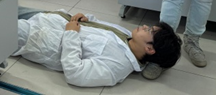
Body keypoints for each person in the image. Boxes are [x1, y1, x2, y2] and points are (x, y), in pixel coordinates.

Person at [14, 7, 182, 87]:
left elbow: (75, 74)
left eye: (149, 30)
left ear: (150, 49)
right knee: (2, 1)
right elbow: (100, 27)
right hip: (50, 17)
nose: (144, 26)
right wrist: (86, 19)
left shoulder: (117, 66)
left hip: (34, 36)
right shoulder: (127, 36)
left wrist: (71, 34)